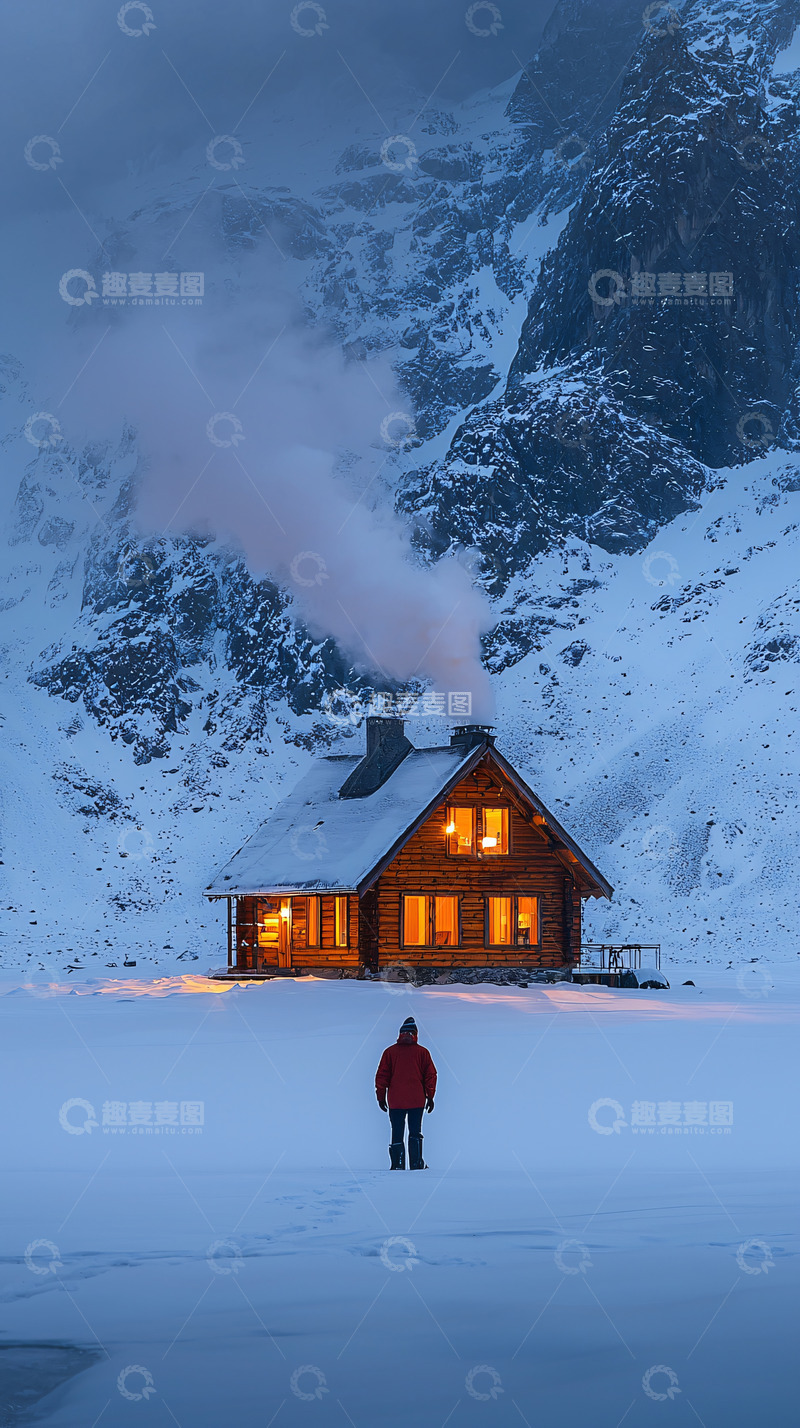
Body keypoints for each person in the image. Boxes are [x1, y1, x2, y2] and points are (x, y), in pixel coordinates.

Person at [375, 1017, 437, 1169]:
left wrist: (381, 1097)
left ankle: (397, 1164)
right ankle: (416, 1164)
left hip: (395, 1100)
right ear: (415, 1034)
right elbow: (431, 1076)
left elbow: (382, 1076)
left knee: (397, 1132)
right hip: (417, 1100)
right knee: (415, 1132)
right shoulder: (423, 1053)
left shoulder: (389, 1052)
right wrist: (430, 1096)